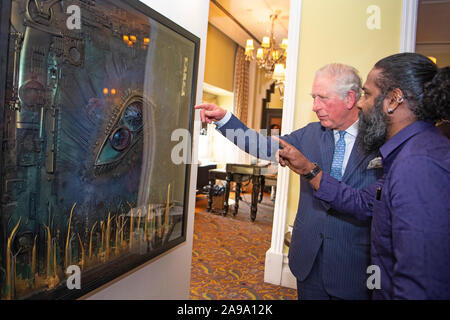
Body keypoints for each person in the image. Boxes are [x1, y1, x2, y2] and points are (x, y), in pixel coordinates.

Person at [196, 64, 382, 300]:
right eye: (314, 98)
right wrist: (225, 120)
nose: (315, 106)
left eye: (323, 98)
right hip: (308, 259)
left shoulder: (380, 139)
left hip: (353, 265)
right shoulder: (311, 134)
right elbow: (263, 146)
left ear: (350, 98)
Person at [277, 53, 450, 299]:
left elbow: (419, 282)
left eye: (367, 94)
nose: (360, 103)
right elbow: (362, 202)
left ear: (394, 99)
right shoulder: (408, 152)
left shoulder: (419, 164)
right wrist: (310, 170)